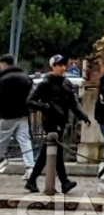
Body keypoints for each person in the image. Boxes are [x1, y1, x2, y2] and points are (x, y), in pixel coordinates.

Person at [26, 54, 90, 193]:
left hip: (61, 120)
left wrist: (83, 115)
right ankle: (64, 181)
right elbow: (31, 101)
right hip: (50, 120)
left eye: (64, 65)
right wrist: (46, 107)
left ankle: (33, 180)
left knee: (49, 151)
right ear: (52, 66)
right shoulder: (45, 83)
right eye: (59, 65)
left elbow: (73, 103)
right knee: (56, 150)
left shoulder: (66, 83)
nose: (63, 68)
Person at [0, 54, 37, 179]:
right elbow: (33, 94)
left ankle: (1, 160)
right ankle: (30, 168)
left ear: (4, 64)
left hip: (7, 114)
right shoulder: (25, 78)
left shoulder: (2, 79)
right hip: (23, 113)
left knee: (2, 140)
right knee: (25, 140)